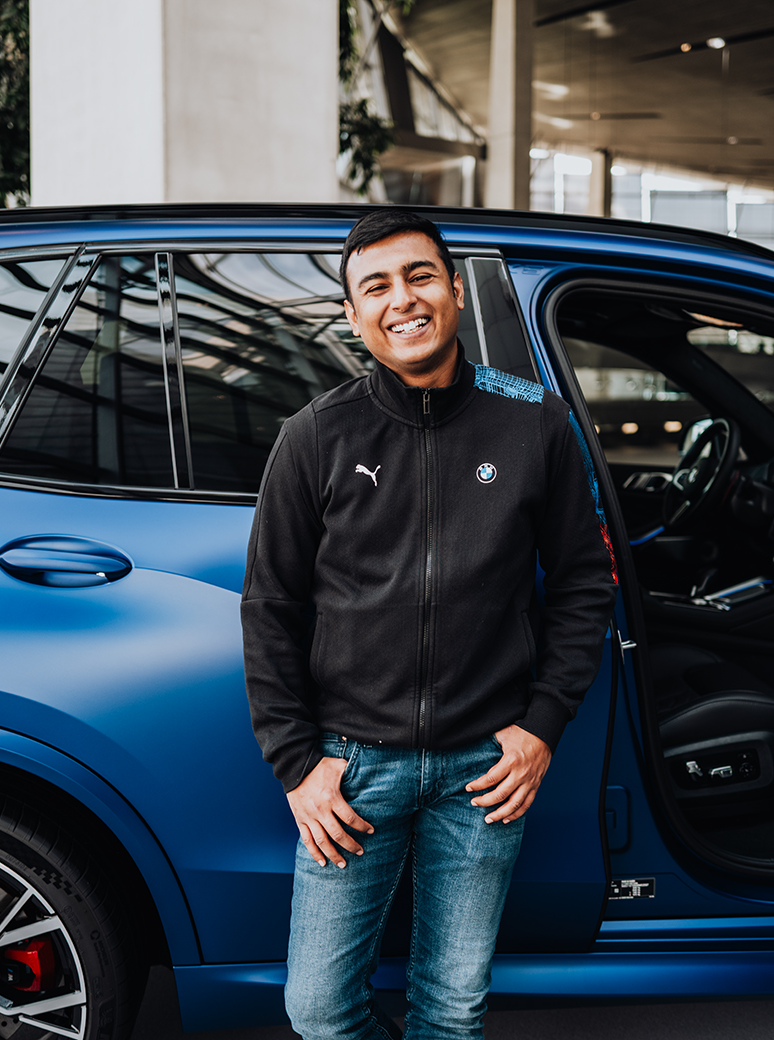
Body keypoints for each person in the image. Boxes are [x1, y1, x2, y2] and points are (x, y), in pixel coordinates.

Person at [241, 209, 617, 1040]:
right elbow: (269, 607)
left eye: (418, 276)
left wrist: (542, 727)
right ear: (352, 314)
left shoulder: (534, 423)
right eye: (374, 287)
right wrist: (299, 765)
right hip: (353, 770)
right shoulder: (314, 438)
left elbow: (586, 583)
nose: (400, 300)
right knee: (318, 1013)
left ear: (453, 289)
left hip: (485, 768)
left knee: (452, 1009)